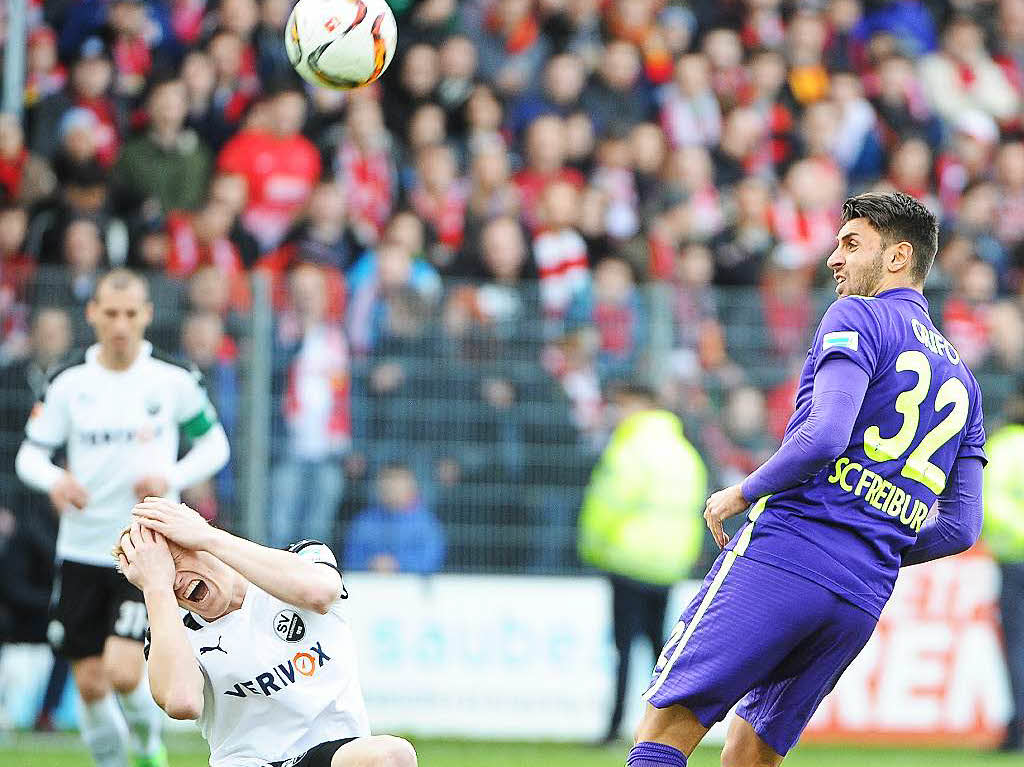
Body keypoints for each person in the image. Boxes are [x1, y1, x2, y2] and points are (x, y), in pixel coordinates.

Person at [627, 192, 987, 767]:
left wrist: (739, 494)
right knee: (751, 755)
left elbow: (822, 438)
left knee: (666, 727)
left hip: (787, 555)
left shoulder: (858, 316)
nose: (833, 259)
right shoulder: (965, 384)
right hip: (860, 597)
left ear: (897, 257)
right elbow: (963, 527)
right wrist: (875, 537)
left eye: (851, 244)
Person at [14, 268, 231, 767]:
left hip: (146, 548)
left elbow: (215, 444)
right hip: (81, 548)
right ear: (92, 314)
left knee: (124, 671)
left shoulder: (172, 381)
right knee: (89, 683)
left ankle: (150, 749)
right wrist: (57, 481)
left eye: (130, 314)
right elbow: (31, 455)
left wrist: (170, 473)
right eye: (110, 313)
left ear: (146, 316)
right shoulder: (70, 383)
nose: (120, 324)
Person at [114, 497, 418, 767]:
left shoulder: (299, 559)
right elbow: (182, 703)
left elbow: (321, 593)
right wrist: (156, 587)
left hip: (339, 754)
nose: (174, 581)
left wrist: (207, 536)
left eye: (174, 562)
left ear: (194, 535)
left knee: (392, 756)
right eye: (160, 574)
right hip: (249, 763)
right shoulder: (173, 632)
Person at [577, 382, 706, 745]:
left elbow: (609, 503)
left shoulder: (630, 449)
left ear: (637, 406)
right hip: (667, 565)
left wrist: (594, 547)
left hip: (629, 559)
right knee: (659, 650)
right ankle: (663, 730)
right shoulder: (684, 452)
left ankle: (615, 726)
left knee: (622, 649)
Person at [981, 397, 1024, 752]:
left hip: (1014, 561)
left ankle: (1019, 726)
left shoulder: (1005, 447)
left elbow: (990, 507)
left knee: (1017, 648)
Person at [344, 463, 445, 575]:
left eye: (397, 481)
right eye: (386, 480)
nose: (391, 487)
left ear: (411, 486)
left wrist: (398, 565)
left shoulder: (427, 524)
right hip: (370, 586)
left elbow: (431, 562)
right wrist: (371, 564)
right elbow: (351, 559)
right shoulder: (364, 521)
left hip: (411, 587)